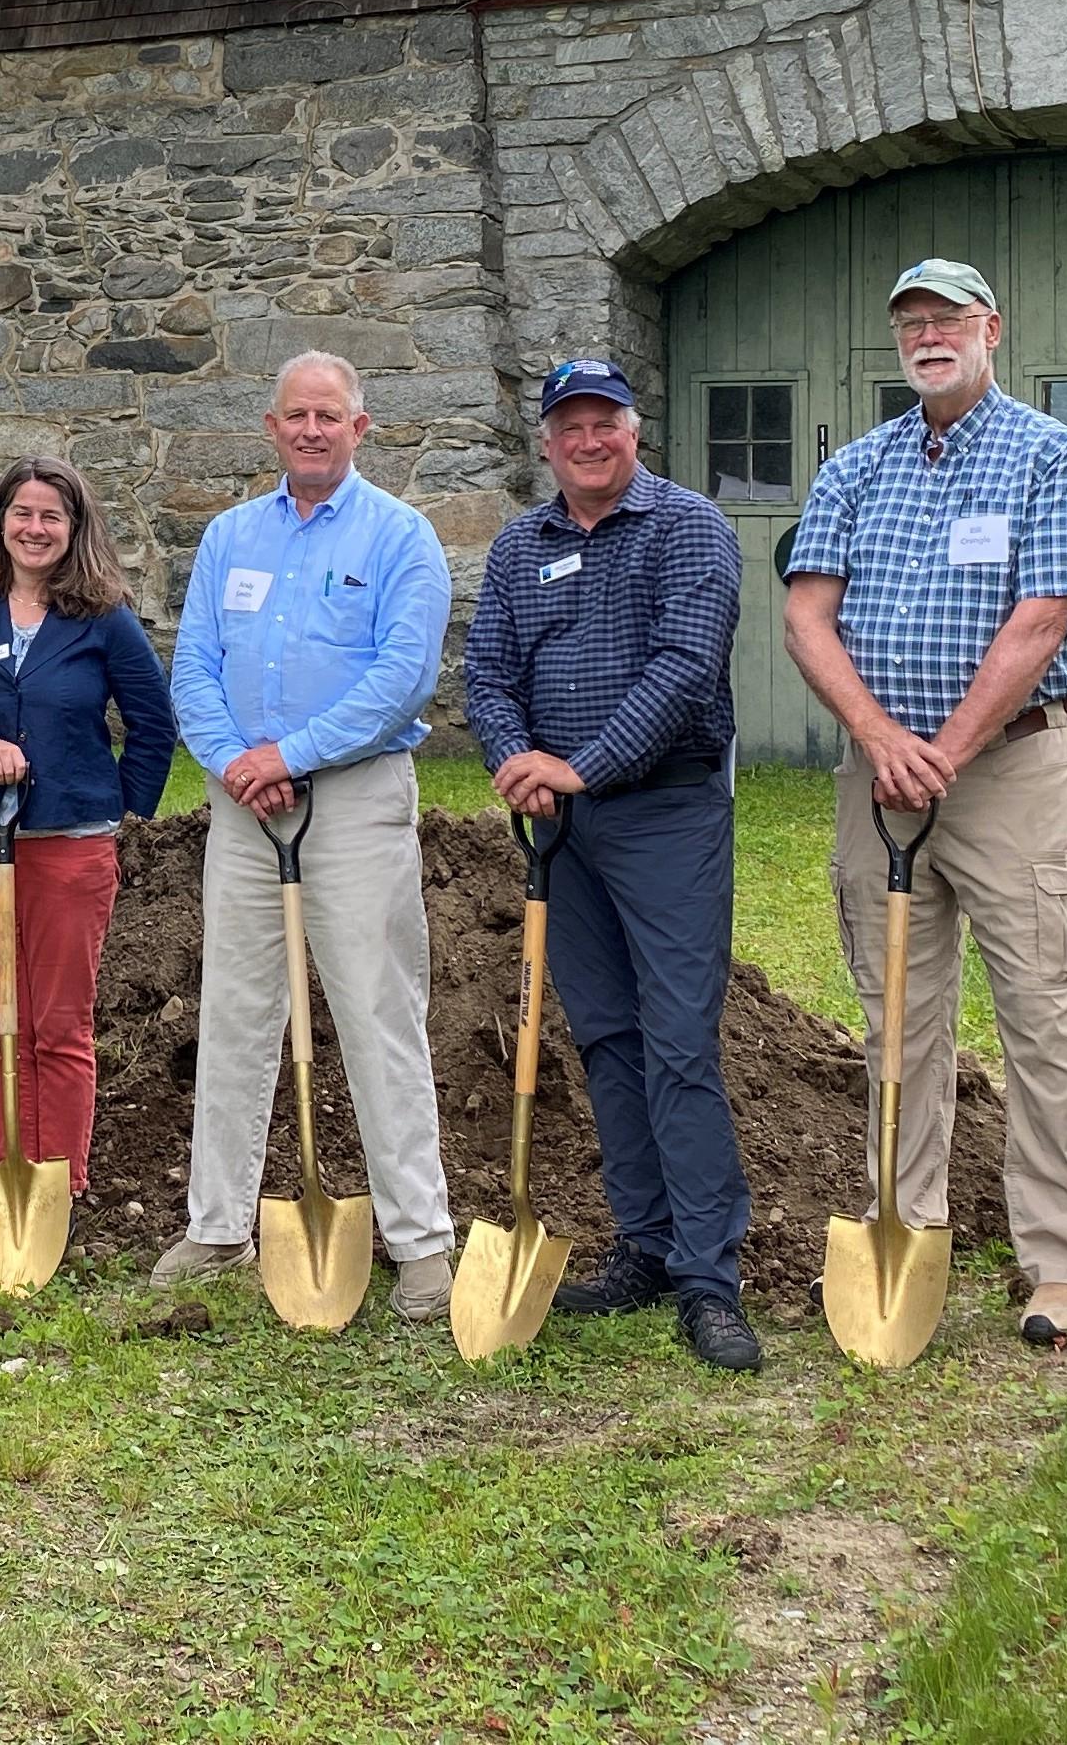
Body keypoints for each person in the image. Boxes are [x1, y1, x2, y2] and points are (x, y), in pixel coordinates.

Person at [785, 258, 1067, 1348]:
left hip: (1010, 772)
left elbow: (1043, 616)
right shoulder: (855, 468)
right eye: (912, 322)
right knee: (898, 1023)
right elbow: (807, 618)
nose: (929, 336)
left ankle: (1066, 1264)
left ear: (992, 329)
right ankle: (903, 1225)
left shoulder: (1050, 456)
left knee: (1044, 1012)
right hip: (880, 783)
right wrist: (884, 741)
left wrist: (947, 747)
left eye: (948, 319)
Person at [464, 357, 762, 1373]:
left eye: (607, 423)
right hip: (563, 831)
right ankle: (644, 1245)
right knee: (607, 1039)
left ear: (638, 431)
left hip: (666, 814)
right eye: (570, 427)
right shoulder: (519, 546)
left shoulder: (690, 531)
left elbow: (684, 670)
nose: (589, 441)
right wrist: (515, 761)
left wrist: (580, 766)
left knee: (679, 1040)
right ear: (546, 443)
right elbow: (489, 673)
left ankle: (710, 1280)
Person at [158, 350, 458, 1321]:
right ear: (273, 427)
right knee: (236, 1009)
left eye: (331, 416)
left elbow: (403, 678)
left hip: (355, 801)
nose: (314, 430)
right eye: (297, 416)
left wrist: (292, 752)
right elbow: (195, 662)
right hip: (245, 805)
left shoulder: (401, 538)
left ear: (361, 428)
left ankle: (419, 1243)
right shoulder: (230, 539)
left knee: (377, 1012)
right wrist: (239, 758)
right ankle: (217, 1225)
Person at [0, 457, 178, 1198]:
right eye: (22, 513)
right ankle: (11, 1171)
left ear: (74, 528)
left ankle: (64, 1180)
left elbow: (154, 723)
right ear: (0, 523)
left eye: (50, 516)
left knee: (59, 1024)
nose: (35, 528)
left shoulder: (105, 617)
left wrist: (121, 809)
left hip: (69, 844)